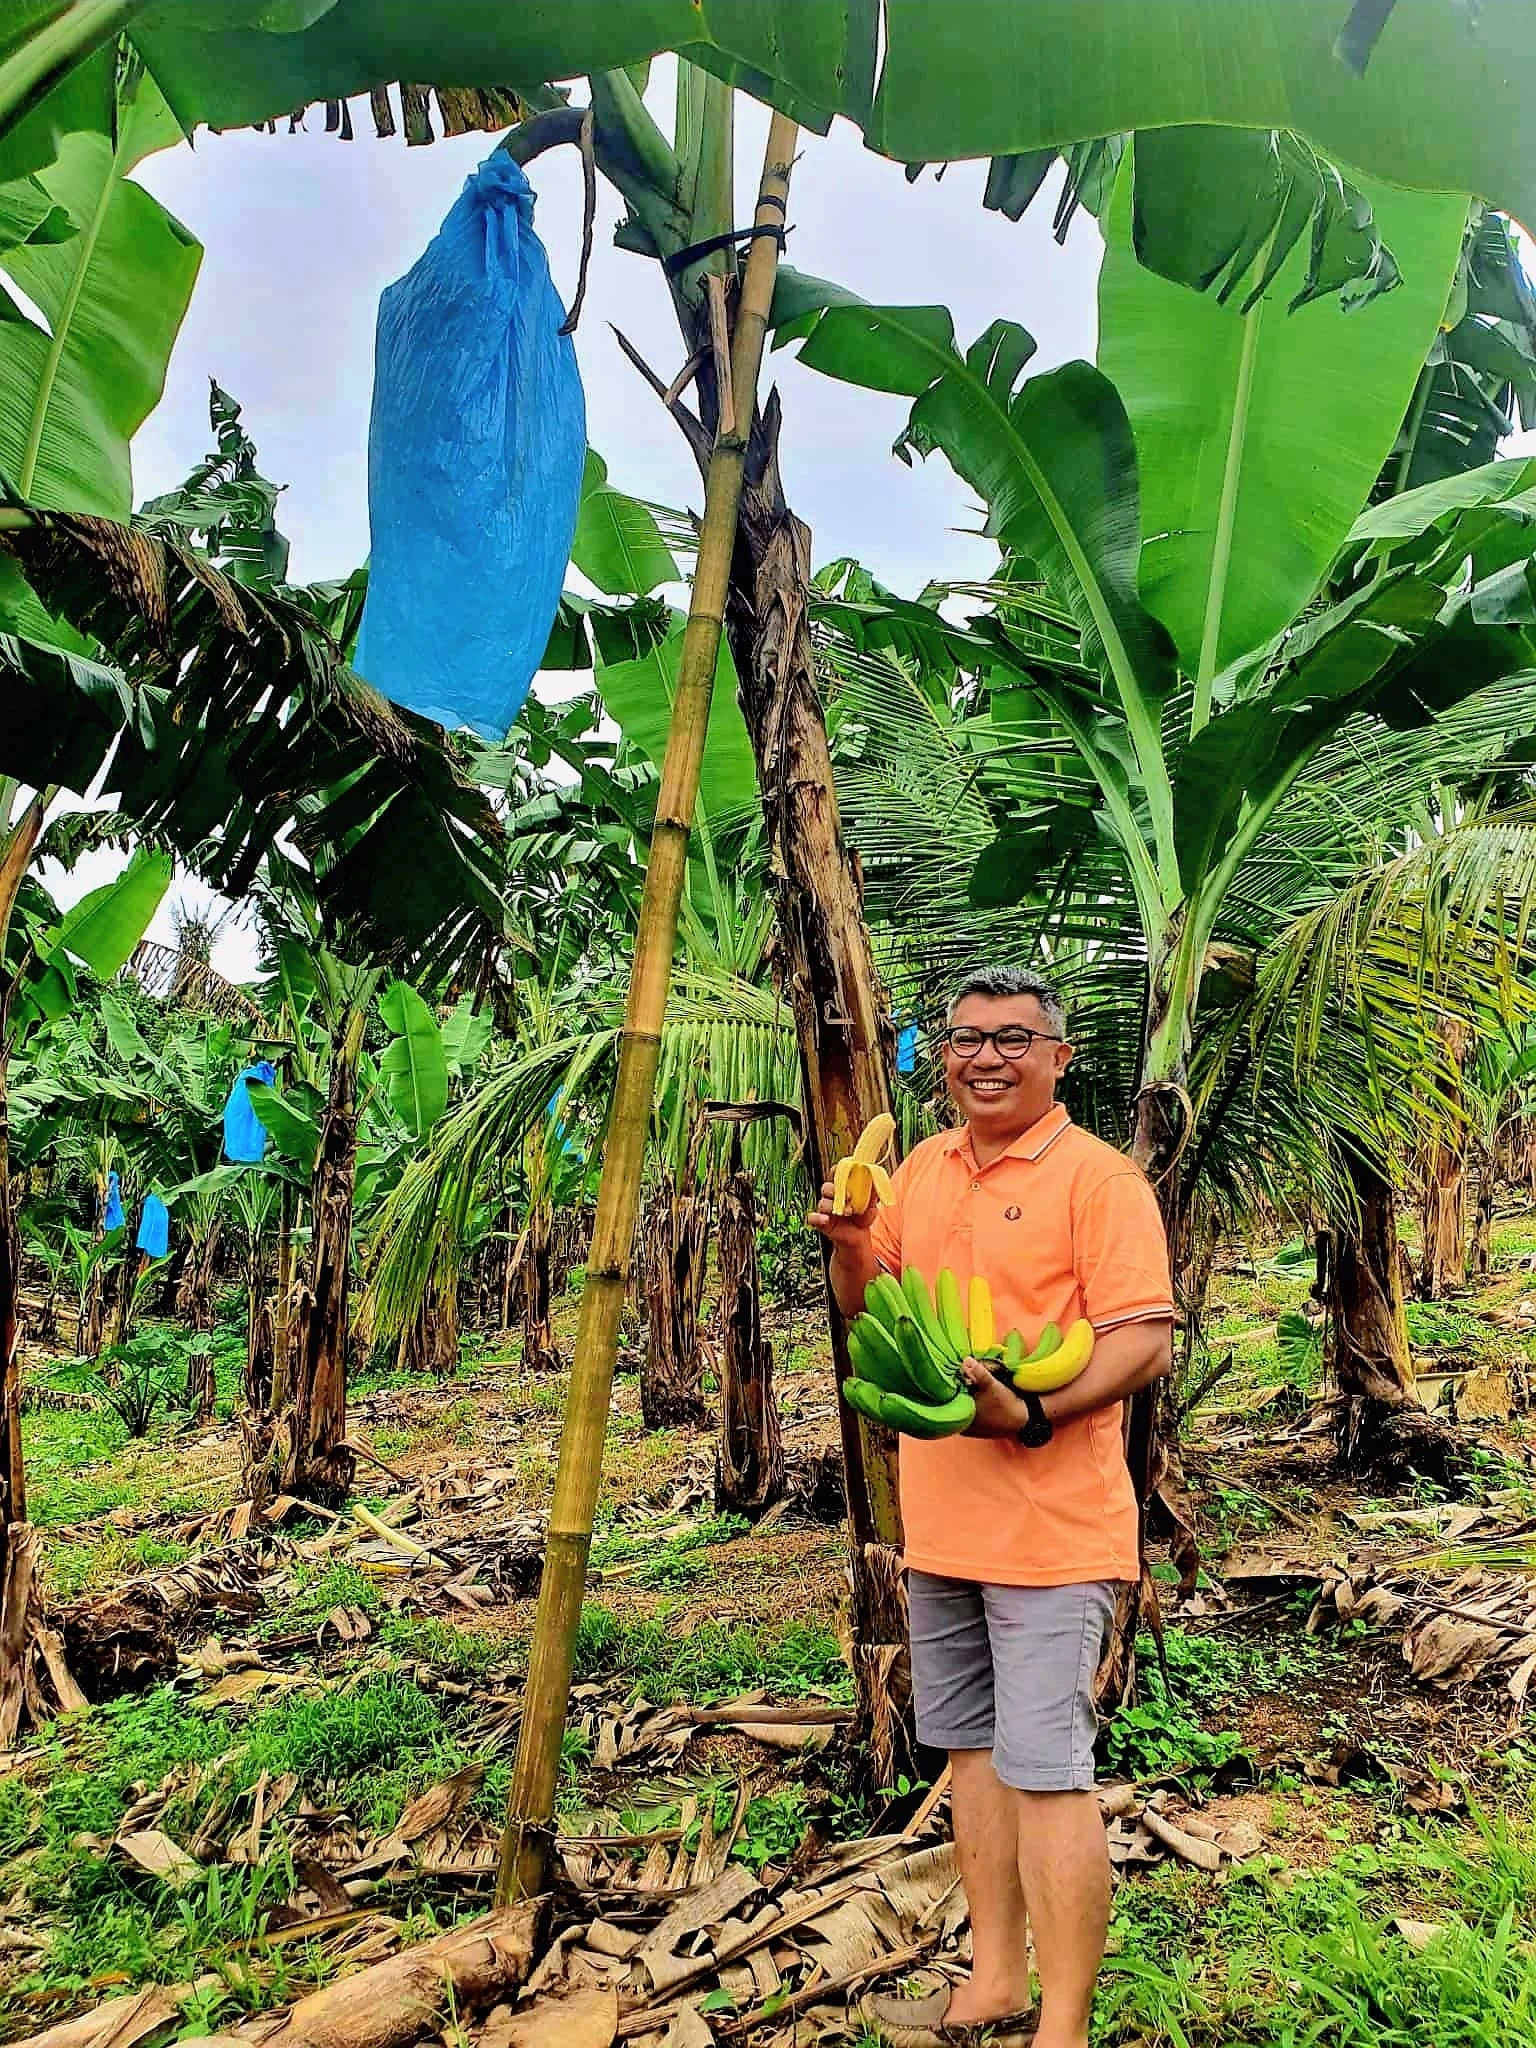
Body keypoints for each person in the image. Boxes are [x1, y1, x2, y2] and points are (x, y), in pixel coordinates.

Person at [808, 968, 1173, 2048]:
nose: (985, 1057)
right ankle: (993, 1980)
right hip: (944, 1526)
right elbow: (874, 1310)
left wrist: (1029, 1410)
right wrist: (846, 1243)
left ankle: (1062, 2024)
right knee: (969, 1758)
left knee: (1049, 1774)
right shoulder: (919, 1169)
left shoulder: (1097, 1180)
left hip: (1055, 1532)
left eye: (1014, 1038)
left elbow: (1141, 1336)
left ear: (1059, 1057)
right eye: (965, 1039)